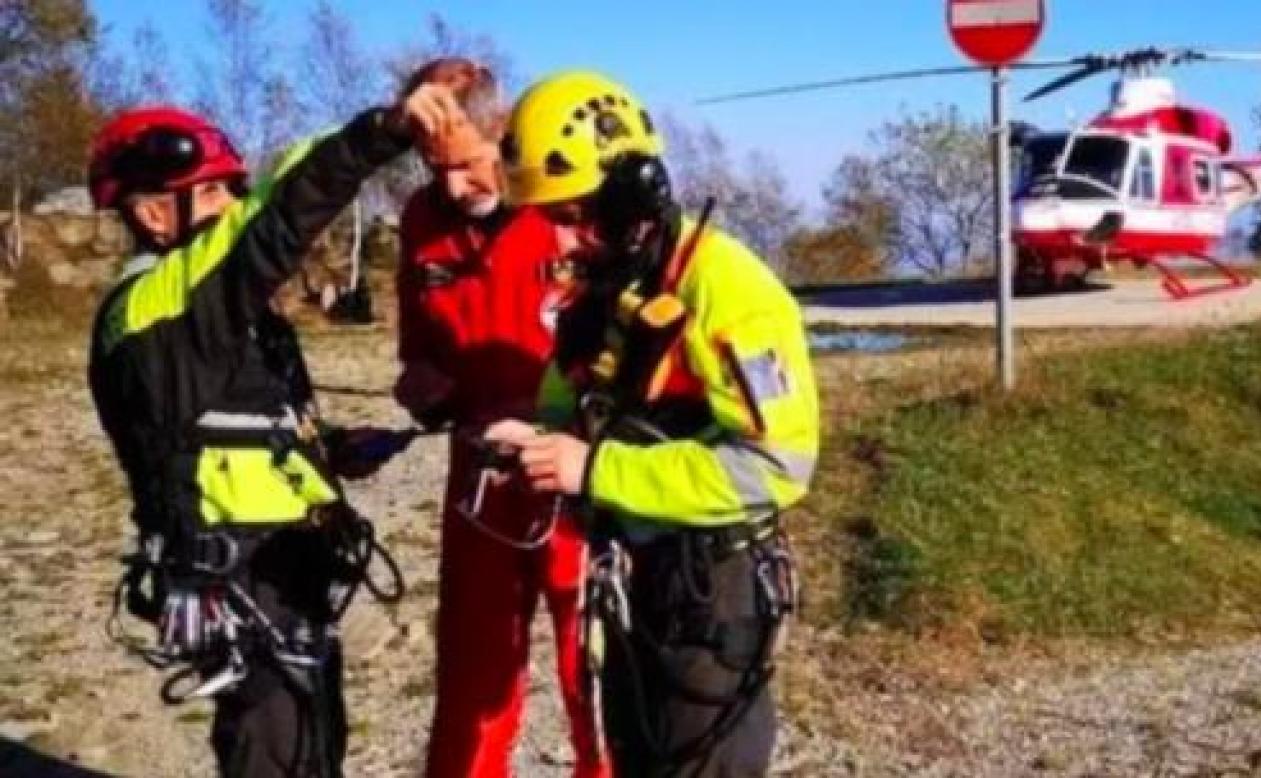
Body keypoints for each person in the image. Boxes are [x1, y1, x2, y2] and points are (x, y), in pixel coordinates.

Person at [87, 86, 459, 777]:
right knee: (277, 753)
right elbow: (275, 219)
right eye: (213, 196)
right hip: (241, 579)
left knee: (315, 742)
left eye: (233, 192)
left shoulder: (209, 317)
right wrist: (382, 130)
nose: (231, 207)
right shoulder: (156, 308)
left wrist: (328, 448)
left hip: (285, 570)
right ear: (149, 213)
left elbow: (224, 424)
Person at [486, 71, 820, 776]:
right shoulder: (611, 285)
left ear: (632, 195)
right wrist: (536, 436)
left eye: (574, 215)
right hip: (636, 579)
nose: (561, 238)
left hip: (710, 588)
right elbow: (568, 395)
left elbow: (777, 466)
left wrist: (597, 468)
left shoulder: (725, 287)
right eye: (551, 217)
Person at [393, 59, 609, 778]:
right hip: (480, 478)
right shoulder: (421, 219)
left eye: (472, 164)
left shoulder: (569, 208)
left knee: (596, 669)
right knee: (472, 673)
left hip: (579, 471)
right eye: (435, 168)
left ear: (505, 136)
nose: (457, 187)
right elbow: (415, 349)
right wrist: (421, 386)